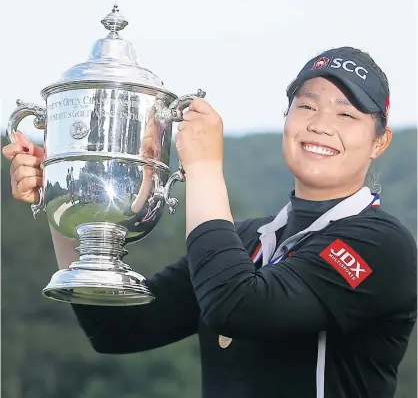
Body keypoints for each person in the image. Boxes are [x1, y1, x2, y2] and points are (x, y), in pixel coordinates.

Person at [3, 46, 417, 398]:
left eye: (346, 115)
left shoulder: (380, 245)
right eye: (306, 105)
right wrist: (67, 200)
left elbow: (239, 306)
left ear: (380, 140)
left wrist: (202, 167)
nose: (320, 124)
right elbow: (115, 329)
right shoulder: (247, 241)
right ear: (287, 119)